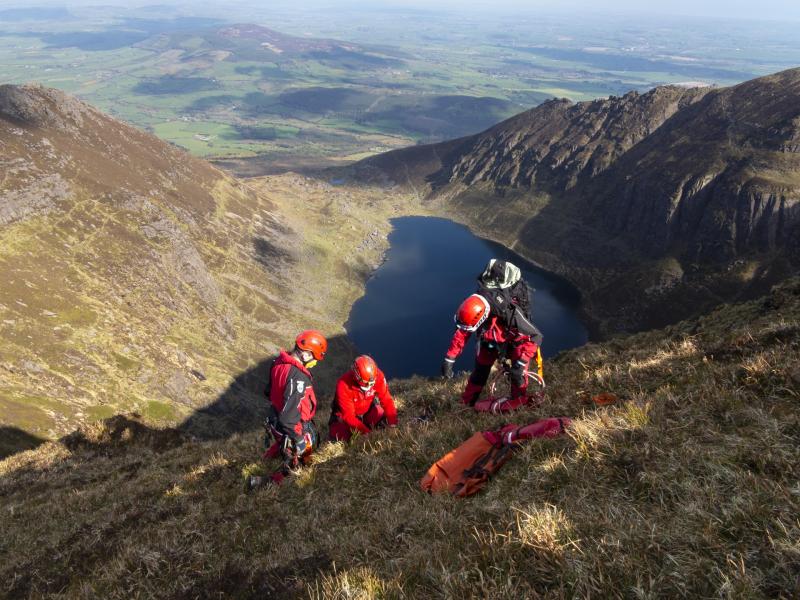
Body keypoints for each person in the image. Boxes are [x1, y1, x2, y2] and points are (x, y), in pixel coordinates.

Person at [441, 259, 543, 409]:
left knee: (518, 376)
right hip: (489, 342)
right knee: (479, 373)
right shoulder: (475, 307)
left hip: (517, 343)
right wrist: (449, 358)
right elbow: (464, 330)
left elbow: (535, 336)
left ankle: (518, 404)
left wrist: (520, 364)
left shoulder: (509, 312)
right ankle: (467, 405)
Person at [247, 329, 327, 490]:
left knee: (283, 438)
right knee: (301, 463)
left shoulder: (278, 362)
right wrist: (298, 440)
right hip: (289, 425)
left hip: (274, 419)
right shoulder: (298, 378)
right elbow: (288, 419)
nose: (314, 363)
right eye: (314, 358)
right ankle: (263, 483)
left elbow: (269, 391)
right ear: (305, 354)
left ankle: (270, 456)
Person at [329, 355, 398, 441]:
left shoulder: (378, 376)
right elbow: (348, 416)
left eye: (372, 383)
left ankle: (367, 424)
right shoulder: (344, 384)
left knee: (380, 415)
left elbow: (387, 400)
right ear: (357, 378)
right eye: (366, 384)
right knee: (342, 436)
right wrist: (367, 434)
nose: (370, 386)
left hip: (367, 410)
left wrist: (392, 424)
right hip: (346, 416)